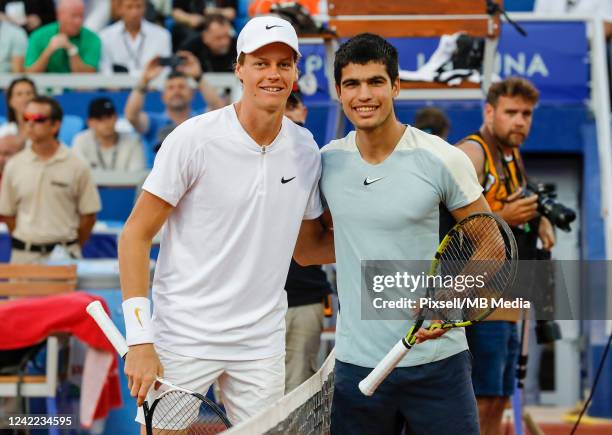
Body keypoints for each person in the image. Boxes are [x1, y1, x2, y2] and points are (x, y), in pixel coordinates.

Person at [118, 15, 333, 427]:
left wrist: (381, 239)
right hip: (183, 334)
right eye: (260, 62)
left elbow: (307, 249)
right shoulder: (193, 139)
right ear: (239, 68)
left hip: (260, 341)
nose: (273, 74)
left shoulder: (305, 148)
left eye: (284, 64)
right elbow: (135, 235)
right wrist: (140, 338)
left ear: (296, 72)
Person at [295, 33, 491, 435]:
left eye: (375, 82)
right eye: (352, 84)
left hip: (439, 365)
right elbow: (308, 251)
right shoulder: (326, 163)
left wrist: (453, 298)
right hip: (357, 366)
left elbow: (492, 244)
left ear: (396, 86)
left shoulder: (442, 158)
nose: (363, 95)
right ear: (338, 92)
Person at [456, 77, 555, 435]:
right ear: (489, 111)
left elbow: (512, 203)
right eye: (511, 112)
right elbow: (446, 224)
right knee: (479, 400)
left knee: (498, 399)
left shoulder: (512, 155)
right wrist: (505, 219)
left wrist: (540, 218)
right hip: (478, 303)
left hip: (509, 301)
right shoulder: (473, 153)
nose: (520, 122)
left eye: (526, 114)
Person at [0, 96, 101, 264]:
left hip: (64, 257)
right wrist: (28, 241)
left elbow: (89, 216)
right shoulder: (14, 165)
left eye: (38, 119)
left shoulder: (77, 165)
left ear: (55, 125)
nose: (30, 124)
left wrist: (68, 245)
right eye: (26, 118)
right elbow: (9, 215)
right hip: (23, 258)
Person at [282, 89, 331, 393]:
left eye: (291, 104)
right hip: (247, 303)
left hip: (303, 298)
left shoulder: (321, 162)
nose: (284, 112)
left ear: (303, 111)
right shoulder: (236, 158)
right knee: (245, 412)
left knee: (299, 400)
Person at [124, 50, 224, 165]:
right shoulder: (153, 122)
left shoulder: (200, 120)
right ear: (163, 96)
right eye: (170, 88)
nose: (176, 91)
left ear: (192, 93)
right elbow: (131, 116)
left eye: (181, 87)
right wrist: (144, 80)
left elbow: (219, 110)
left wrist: (199, 77)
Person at [24, 0, 101, 73]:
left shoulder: (92, 38)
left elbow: (89, 76)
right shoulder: (38, 36)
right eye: (74, 16)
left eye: (81, 16)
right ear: (59, 15)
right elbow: (29, 73)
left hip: (78, 87)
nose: (78, 21)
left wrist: (72, 50)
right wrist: (48, 51)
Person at [99, 0, 172, 76]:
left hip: (152, 86)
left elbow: (165, 70)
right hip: (117, 86)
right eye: (129, 7)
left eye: (138, 6)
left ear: (145, 8)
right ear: (120, 9)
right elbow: (105, 70)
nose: (134, 13)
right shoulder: (105, 36)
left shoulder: (162, 35)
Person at [72, 97, 146, 172]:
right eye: (100, 119)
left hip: (126, 184)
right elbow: (81, 174)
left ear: (116, 117)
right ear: (90, 122)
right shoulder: (81, 140)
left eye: (109, 117)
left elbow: (137, 174)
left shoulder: (133, 141)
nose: (107, 123)